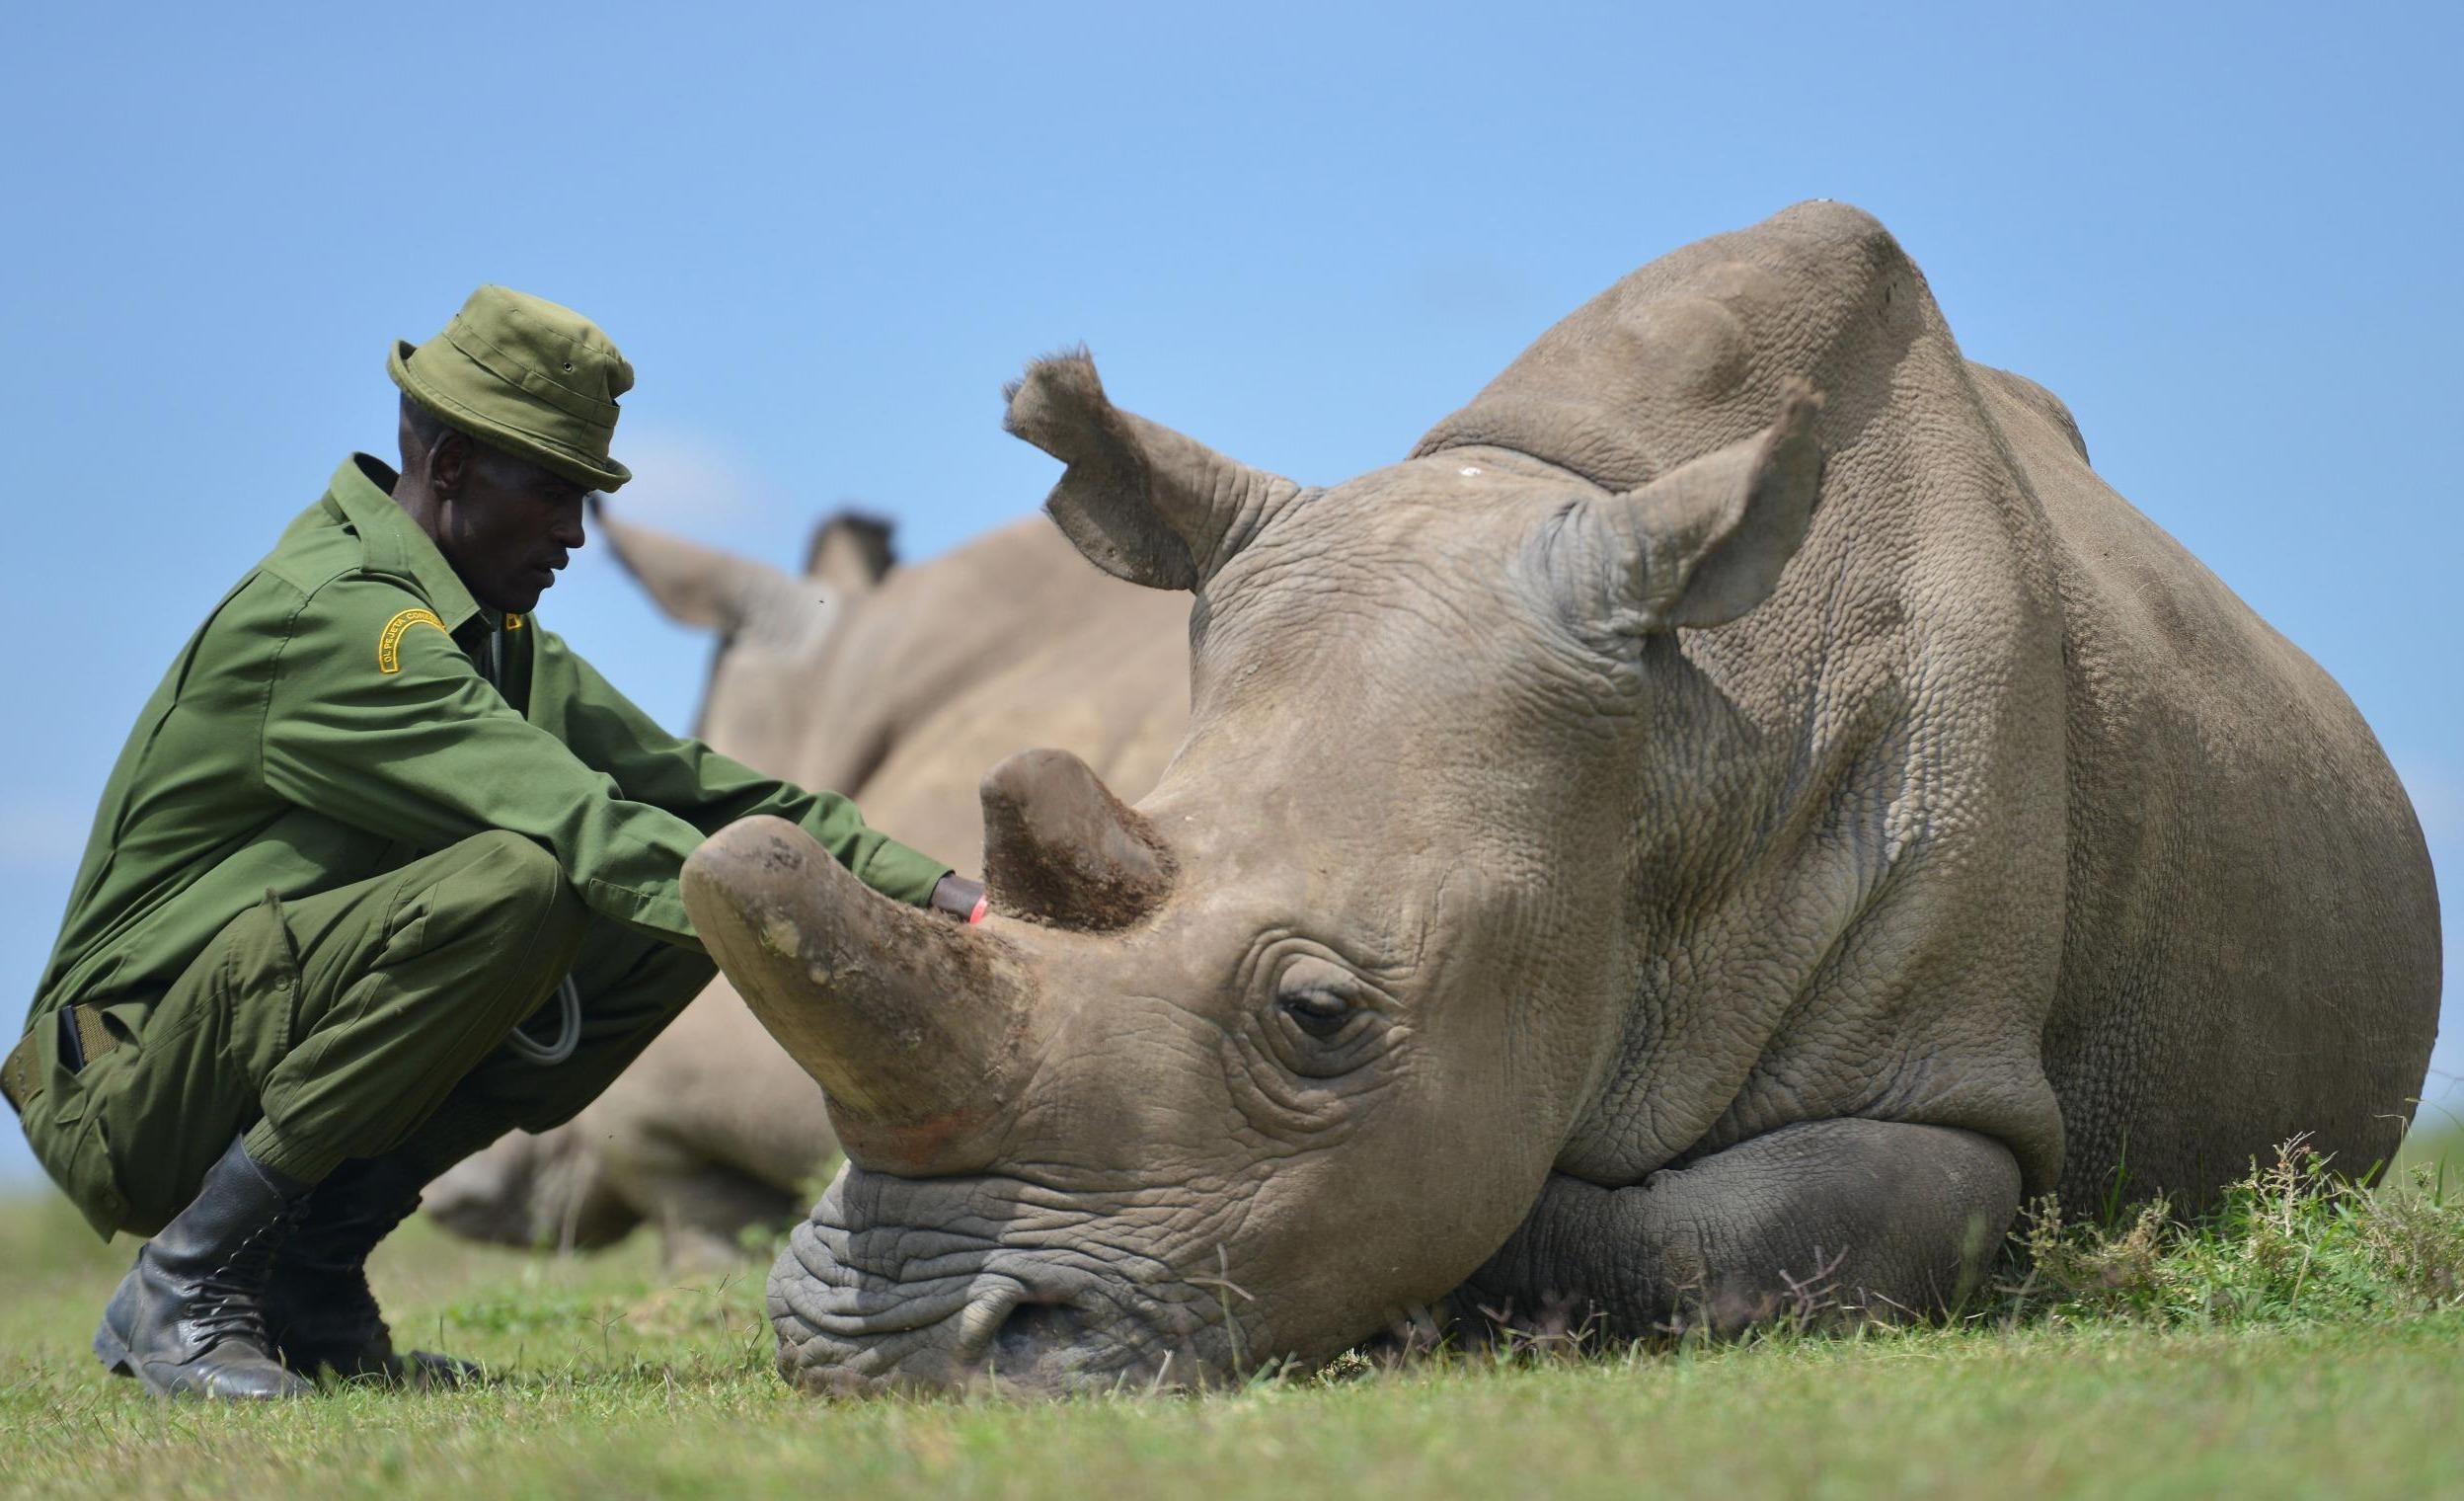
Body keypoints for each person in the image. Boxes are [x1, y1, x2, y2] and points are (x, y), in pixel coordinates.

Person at [4, 286, 983, 1399]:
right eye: (556, 491)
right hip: (125, 1084)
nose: (574, 533)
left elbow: (717, 804)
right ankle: (185, 1279)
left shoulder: (497, 642)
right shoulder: (338, 621)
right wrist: (863, 962)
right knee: (525, 880)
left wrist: (951, 901)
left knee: (695, 895)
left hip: (229, 1037)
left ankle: (310, 1281)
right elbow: (578, 824)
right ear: (458, 465)